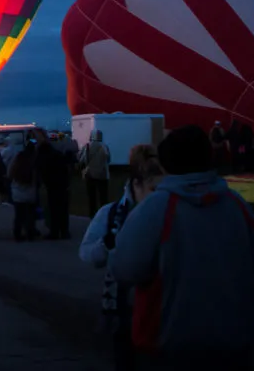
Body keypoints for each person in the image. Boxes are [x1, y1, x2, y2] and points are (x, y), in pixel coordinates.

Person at [108, 125, 254, 370]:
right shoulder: (237, 205)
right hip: (233, 339)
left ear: (165, 164)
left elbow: (125, 268)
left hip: (168, 340)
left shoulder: (154, 208)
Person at [79, 145, 166, 371]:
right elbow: (87, 254)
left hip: (164, 311)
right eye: (154, 189)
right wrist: (106, 245)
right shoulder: (110, 213)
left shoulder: (171, 211)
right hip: (123, 310)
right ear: (137, 184)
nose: (160, 195)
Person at [80, 129, 112, 216]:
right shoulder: (104, 146)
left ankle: (92, 215)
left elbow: (83, 159)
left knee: (91, 197)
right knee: (103, 197)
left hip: (90, 175)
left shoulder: (87, 146)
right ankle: (104, 215)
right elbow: (108, 159)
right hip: (103, 175)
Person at [9, 148, 38, 242]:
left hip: (17, 194)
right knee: (30, 215)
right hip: (30, 194)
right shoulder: (31, 168)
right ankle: (30, 233)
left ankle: (17, 233)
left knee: (19, 215)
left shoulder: (15, 168)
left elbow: (10, 177)